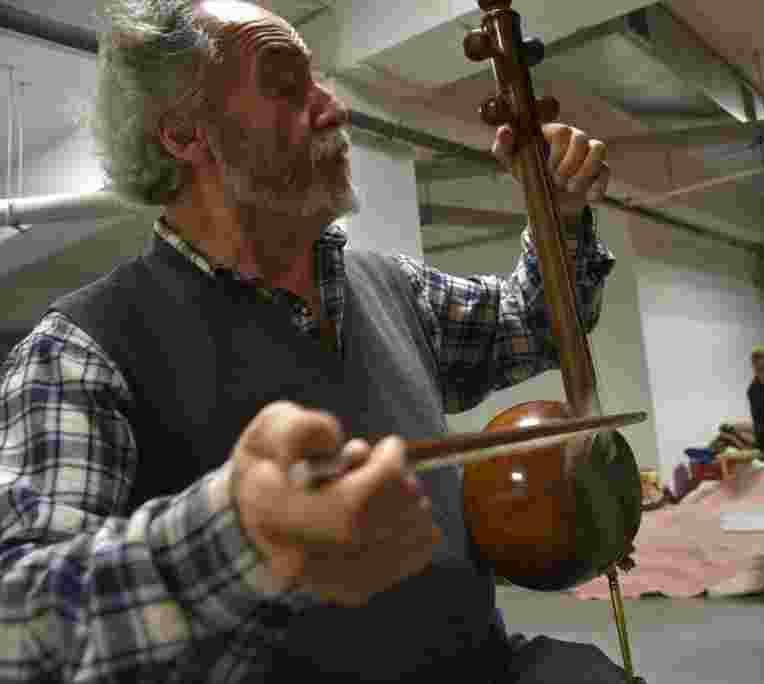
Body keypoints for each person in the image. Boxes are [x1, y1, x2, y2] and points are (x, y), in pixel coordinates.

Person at [0, 2, 630, 682]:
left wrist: (561, 218)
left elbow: (531, 325)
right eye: (285, 83)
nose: (334, 108)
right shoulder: (80, 351)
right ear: (184, 133)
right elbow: (22, 637)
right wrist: (238, 542)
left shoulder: (392, 288)